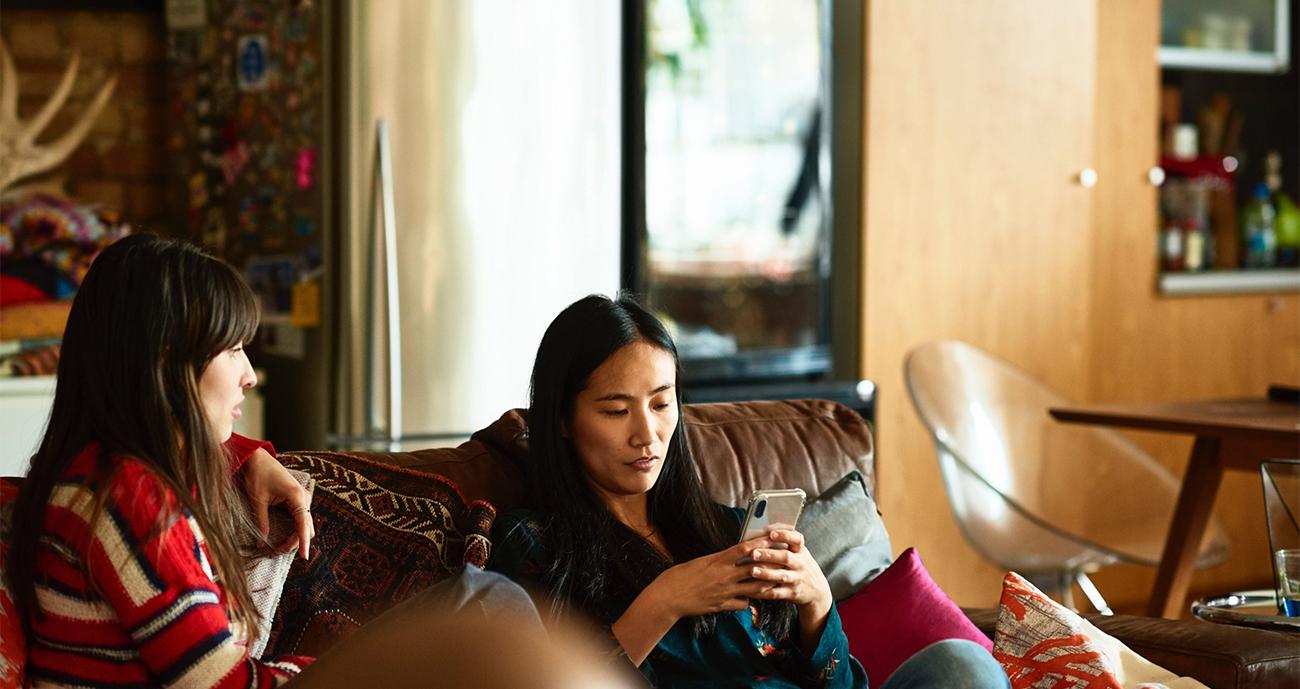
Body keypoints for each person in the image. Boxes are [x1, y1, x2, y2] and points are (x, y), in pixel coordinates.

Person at [7, 235, 589, 689]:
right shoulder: (130, 496)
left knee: (481, 606)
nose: (249, 374)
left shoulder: (97, 475)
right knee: (486, 603)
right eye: (232, 349)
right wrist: (342, 663)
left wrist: (249, 455)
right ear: (167, 365)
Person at [491, 294, 1010, 688]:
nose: (646, 434)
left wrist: (817, 606)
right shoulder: (536, 545)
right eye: (615, 410)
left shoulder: (721, 528)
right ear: (562, 418)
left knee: (960, 661)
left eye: (661, 403)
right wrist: (664, 602)